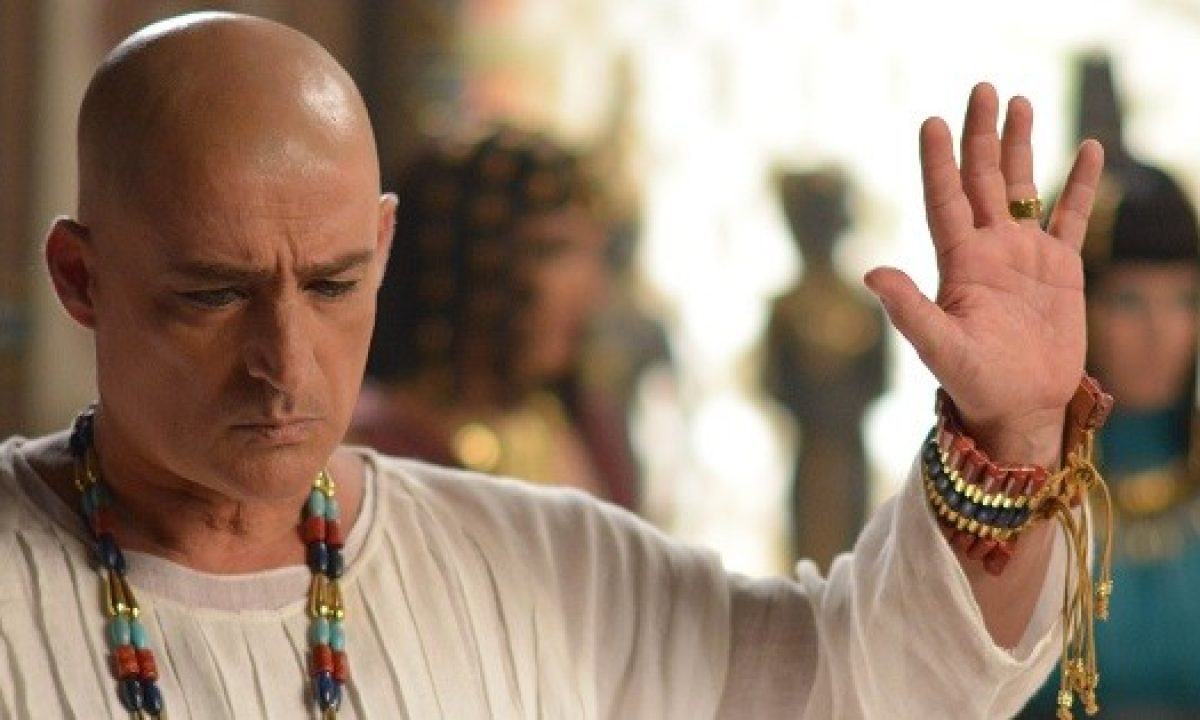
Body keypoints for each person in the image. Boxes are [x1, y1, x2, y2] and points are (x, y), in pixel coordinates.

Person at [0, 10, 1109, 719]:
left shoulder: (537, 566)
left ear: (384, 247)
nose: (284, 363)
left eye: (334, 286)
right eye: (213, 294)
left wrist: (1008, 433)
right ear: (81, 278)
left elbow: (851, 684)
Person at [1021, 55, 1200, 720]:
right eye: (1129, 301)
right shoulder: (1017, 493)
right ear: (1078, 313)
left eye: (1185, 300)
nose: (1162, 333)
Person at [351, 127, 639, 509]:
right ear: (462, 262)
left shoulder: (589, 427)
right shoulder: (375, 449)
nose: (591, 291)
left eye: (594, 255)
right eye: (551, 250)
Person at [764, 168, 887, 570]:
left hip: (849, 457)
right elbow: (774, 384)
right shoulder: (786, 310)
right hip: (810, 456)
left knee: (851, 560)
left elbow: (878, 382)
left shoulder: (865, 308)